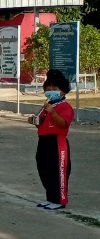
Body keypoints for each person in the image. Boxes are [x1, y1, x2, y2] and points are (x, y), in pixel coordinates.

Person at [27, 68, 74, 210]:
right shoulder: (47, 105)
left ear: (63, 91)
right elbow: (42, 124)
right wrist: (34, 121)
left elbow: (63, 124)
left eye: (55, 89)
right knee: (44, 169)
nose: (51, 91)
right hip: (44, 141)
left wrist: (53, 113)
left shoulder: (65, 107)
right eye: (48, 89)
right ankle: (50, 197)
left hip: (57, 142)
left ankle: (59, 200)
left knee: (58, 171)